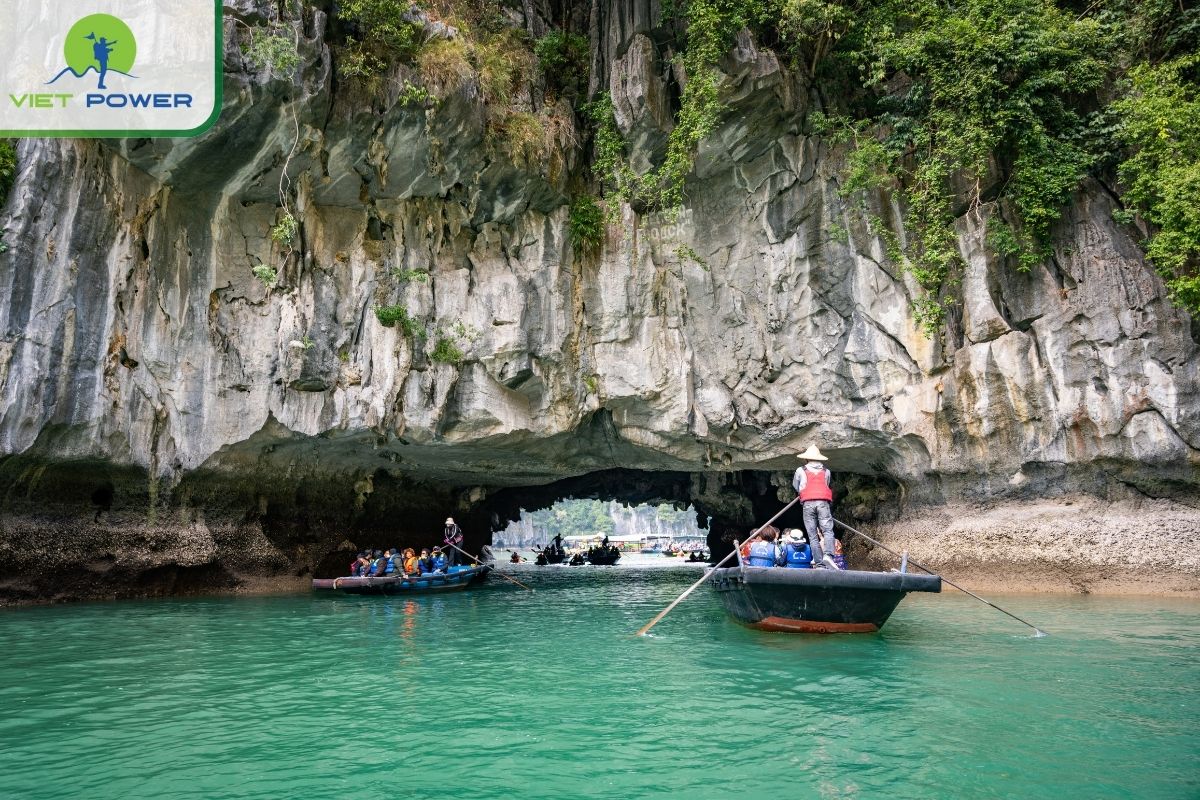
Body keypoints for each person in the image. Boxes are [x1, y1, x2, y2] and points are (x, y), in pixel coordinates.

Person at [793, 445, 839, 569]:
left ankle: (819, 564)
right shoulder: (826, 471)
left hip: (807, 504)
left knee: (812, 535)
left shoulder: (800, 470)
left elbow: (796, 486)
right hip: (822, 503)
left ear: (806, 459)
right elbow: (826, 485)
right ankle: (828, 555)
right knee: (827, 530)